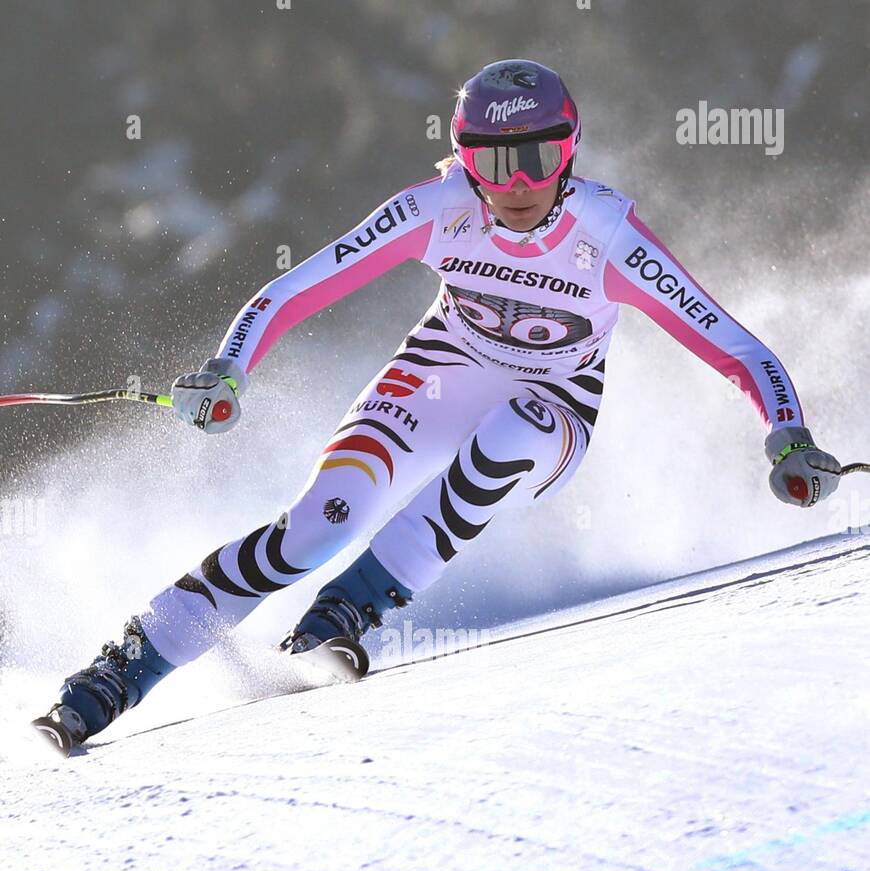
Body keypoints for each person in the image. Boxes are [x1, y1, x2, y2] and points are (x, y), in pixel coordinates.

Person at [34, 58, 841, 753]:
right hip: (441, 370)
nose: (518, 183)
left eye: (540, 156)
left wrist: (789, 436)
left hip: (554, 402)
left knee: (512, 433)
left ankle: (350, 609)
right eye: (494, 163)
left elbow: (739, 349)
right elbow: (292, 291)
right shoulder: (437, 208)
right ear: (463, 161)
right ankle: (122, 670)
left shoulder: (608, 236)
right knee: (321, 523)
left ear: (571, 151)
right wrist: (228, 368)